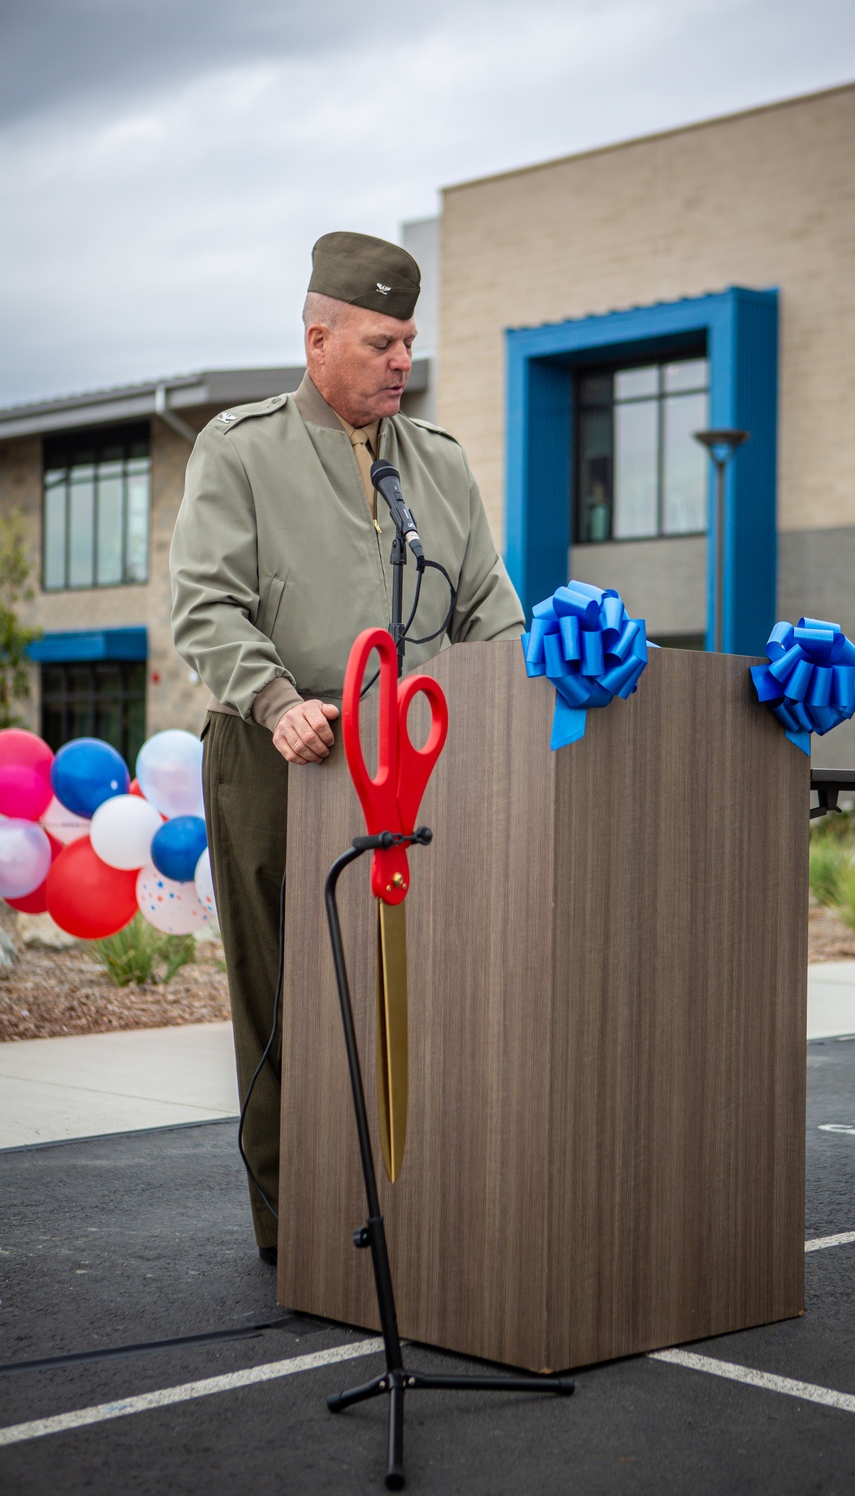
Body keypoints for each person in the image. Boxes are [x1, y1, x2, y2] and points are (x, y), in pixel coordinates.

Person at [169, 232, 524, 1261]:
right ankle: (302, 1234)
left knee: (418, 993)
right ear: (317, 338)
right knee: (286, 1008)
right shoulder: (241, 448)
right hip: (284, 753)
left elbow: (490, 614)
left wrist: (543, 686)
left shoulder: (439, 467)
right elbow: (205, 606)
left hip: (417, 759)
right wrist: (275, 696)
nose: (401, 362)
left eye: (409, 341)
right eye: (379, 342)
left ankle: (412, 1213)